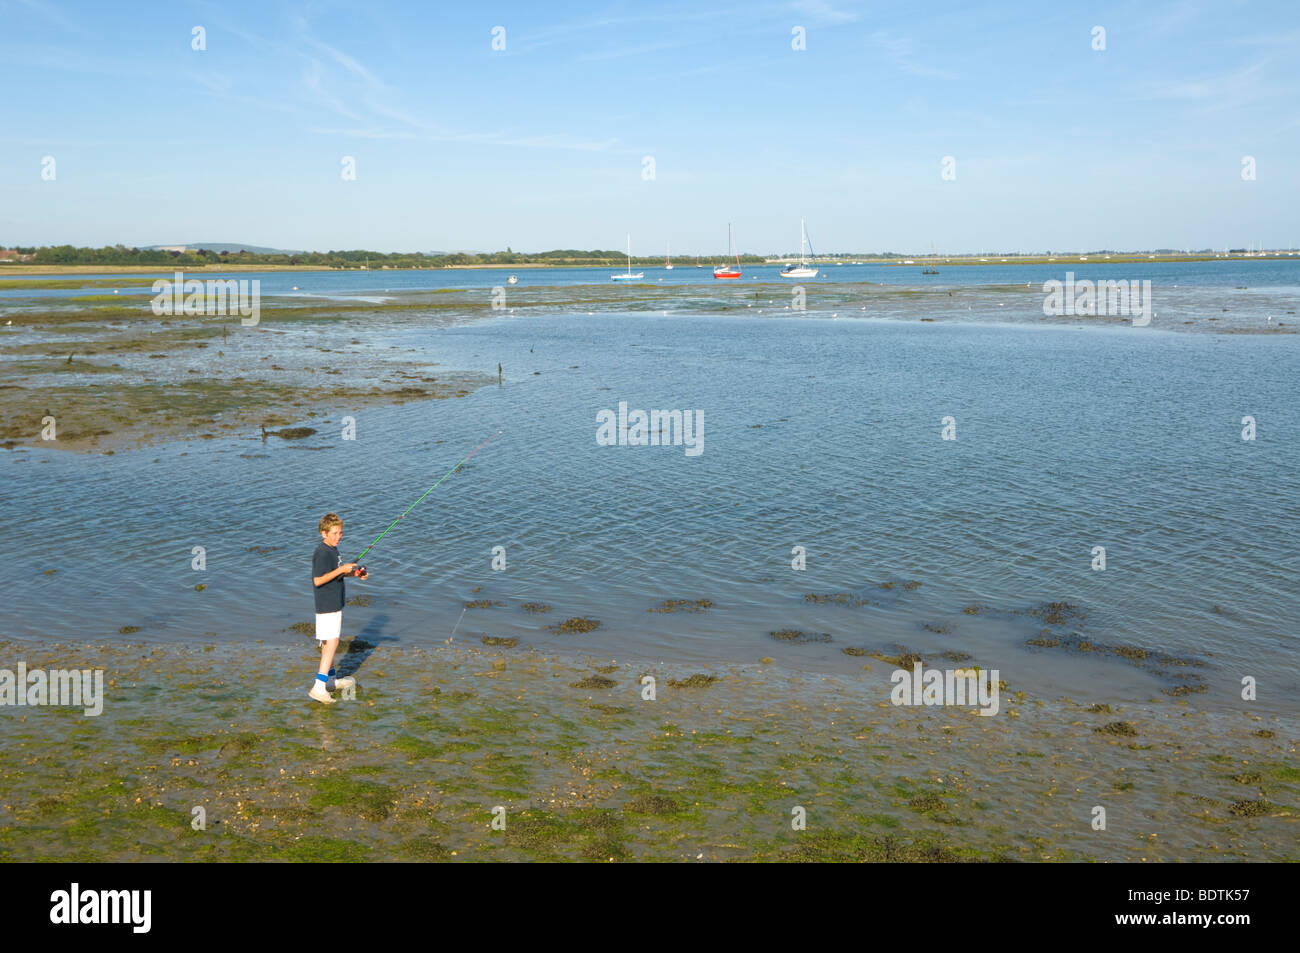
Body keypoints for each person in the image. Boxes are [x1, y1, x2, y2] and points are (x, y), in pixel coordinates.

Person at [310, 513, 365, 704]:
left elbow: (334, 575)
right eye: (334, 533)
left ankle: (330, 682)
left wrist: (354, 573)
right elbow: (318, 580)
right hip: (327, 604)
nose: (338, 536)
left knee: (328, 644)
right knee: (332, 643)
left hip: (334, 602)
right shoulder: (322, 552)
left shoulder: (333, 550)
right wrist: (342, 570)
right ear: (323, 533)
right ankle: (319, 687)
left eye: (340, 533)